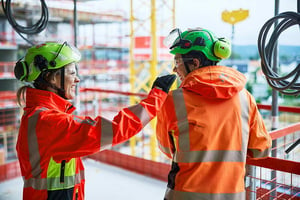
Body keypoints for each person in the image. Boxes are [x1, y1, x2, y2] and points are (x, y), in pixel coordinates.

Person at [13, 41, 176, 200]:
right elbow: (115, 129)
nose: (77, 79)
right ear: (51, 77)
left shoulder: (37, 114)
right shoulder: (50, 122)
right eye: (71, 73)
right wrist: (157, 96)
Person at [156, 28, 272, 200]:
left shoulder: (173, 101)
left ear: (194, 63)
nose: (174, 68)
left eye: (177, 60)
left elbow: (166, 148)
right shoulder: (245, 98)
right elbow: (261, 149)